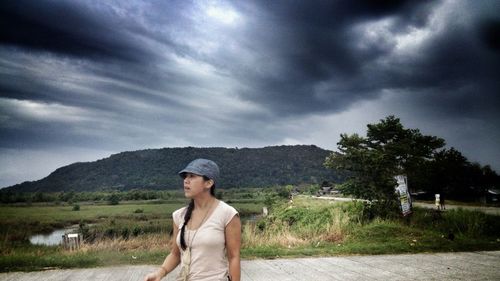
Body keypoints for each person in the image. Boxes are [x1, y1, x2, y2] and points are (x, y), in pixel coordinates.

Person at [144, 159, 241, 281]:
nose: (186, 180)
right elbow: (175, 254)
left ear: (208, 183)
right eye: (185, 176)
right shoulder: (179, 215)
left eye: (192, 176)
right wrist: (160, 273)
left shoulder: (227, 214)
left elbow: (234, 257)